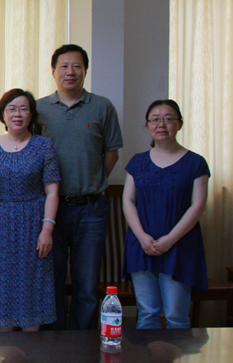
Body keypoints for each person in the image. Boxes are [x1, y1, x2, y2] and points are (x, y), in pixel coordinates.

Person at [37, 44, 122, 330]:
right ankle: (54, 341)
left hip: (91, 208)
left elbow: (111, 154)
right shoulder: (39, 109)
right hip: (51, 210)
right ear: (53, 71)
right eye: (64, 66)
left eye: (76, 66)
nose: (70, 72)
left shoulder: (102, 107)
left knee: (86, 284)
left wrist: (91, 181)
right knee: (52, 280)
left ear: (85, 70)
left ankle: (82, 343)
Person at [0, 89, 60, 331]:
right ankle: (5, 343)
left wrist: (47, 230)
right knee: (1, 284)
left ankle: (31, 342)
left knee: (32, 283)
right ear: (2, 114)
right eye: (11, 109)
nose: (17, 114)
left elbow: (52, 191)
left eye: (24, 109)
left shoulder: (43, 146)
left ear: (31, 114)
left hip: (33, 223)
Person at [123, 99, 209, 329]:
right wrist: (142, 237)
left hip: (180, 245)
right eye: (155, 119)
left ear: (179, 124)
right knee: (147, 314)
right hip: (142, 244)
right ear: (148, 125)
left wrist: (170, 240)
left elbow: (198, 205)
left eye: (169, 119)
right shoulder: (138, 162)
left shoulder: (196, 162)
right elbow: (128, 201)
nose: (161, 124)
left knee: (176, 316)